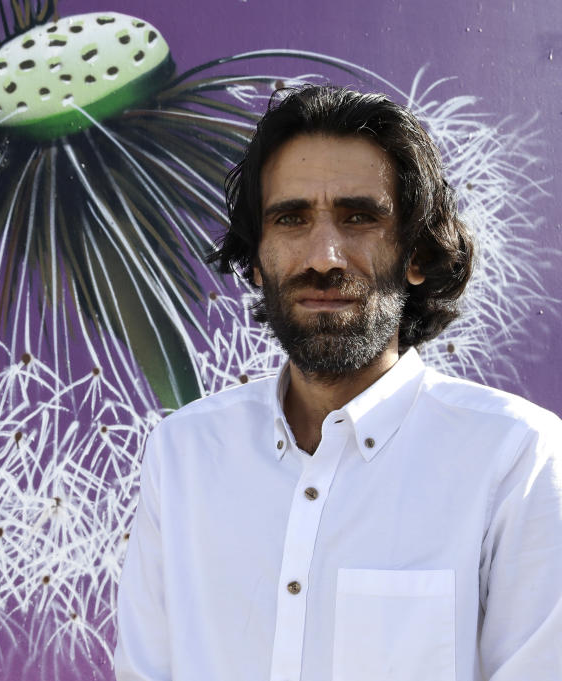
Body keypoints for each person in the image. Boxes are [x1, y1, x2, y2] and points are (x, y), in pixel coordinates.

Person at [113, 85, 562, 681]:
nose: (323, 255)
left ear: (416, 254)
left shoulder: (516, 461)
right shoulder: (184, 455)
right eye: (291, 219)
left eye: (359, 218)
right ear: (256, 257)